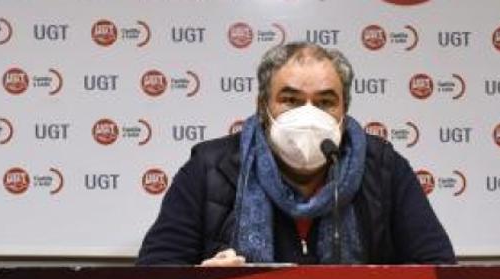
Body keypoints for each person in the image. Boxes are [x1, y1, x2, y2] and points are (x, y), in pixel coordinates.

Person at [137, 42, 455, 266]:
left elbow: (438, 269)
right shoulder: (209, 168)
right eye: (290, 99)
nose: (308, 114)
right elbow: (154, 274)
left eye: (326, 101)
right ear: (263, 106)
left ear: (345, 109)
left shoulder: (384, 167)